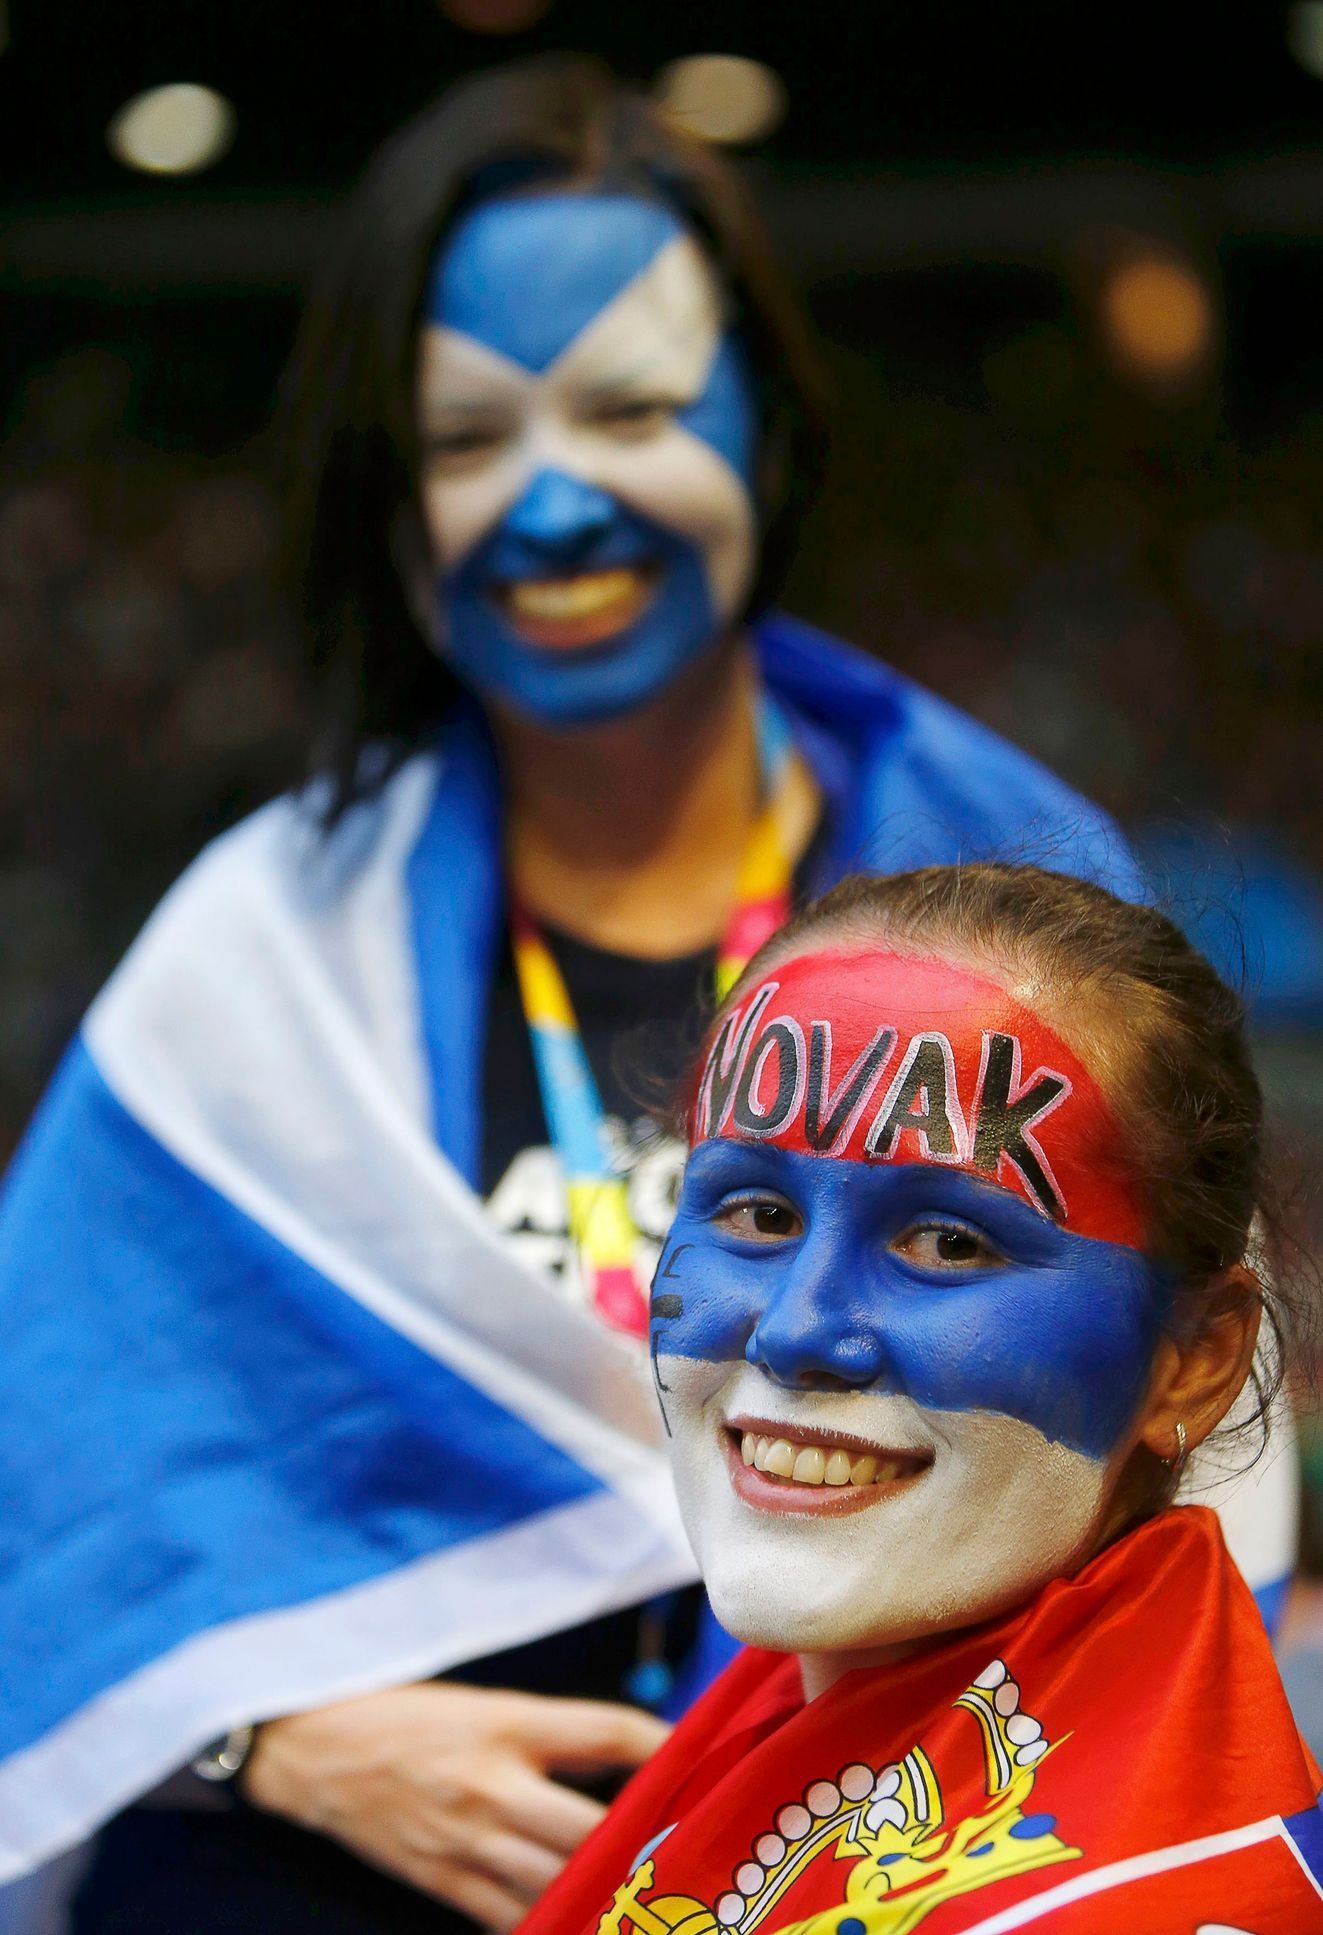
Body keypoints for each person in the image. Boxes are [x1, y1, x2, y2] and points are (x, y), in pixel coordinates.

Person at [0, 54, 1288, 1935]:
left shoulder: (1034, 893)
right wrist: (272, 1742)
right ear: (391, 499)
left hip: (911, 1869)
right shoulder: (253, 965)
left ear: (765, 431)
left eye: (626, 408)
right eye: (465, 441)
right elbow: (46, 1512)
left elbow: (1173, 1419)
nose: (553, 502)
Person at [521, 862, 1322, 1935]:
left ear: (1194, 1361)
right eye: (756, 1214)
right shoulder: (777, 1729)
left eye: (948, 1240)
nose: (799, 1330)